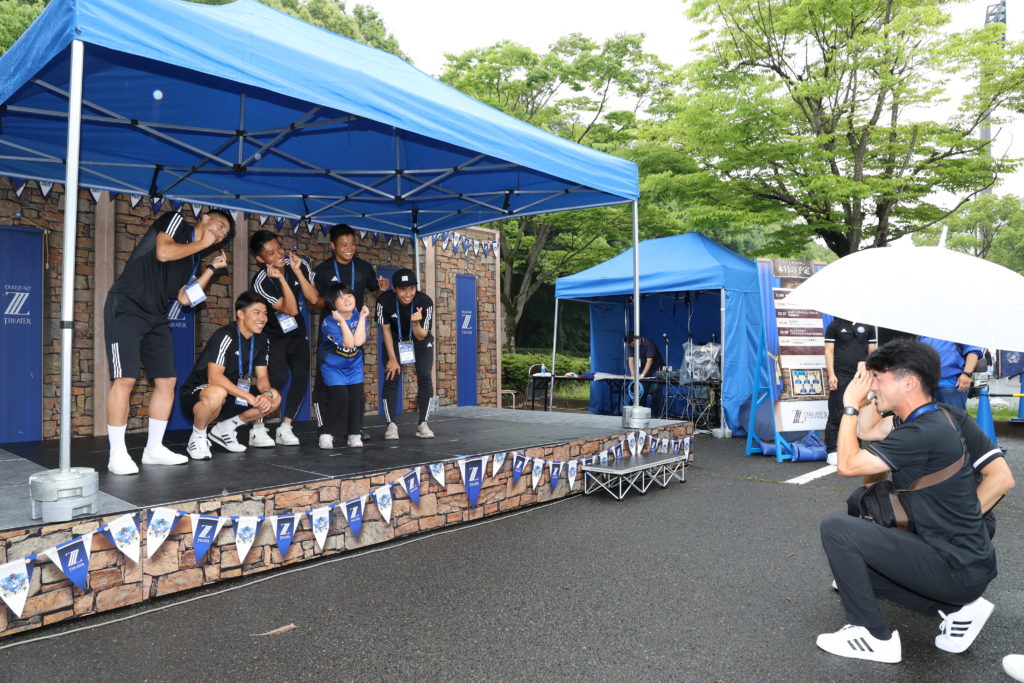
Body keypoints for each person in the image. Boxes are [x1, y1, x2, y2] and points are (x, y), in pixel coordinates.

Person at [817, 340, 998, 664]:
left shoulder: (924, 431)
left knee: (837, 530)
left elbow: (847, 464)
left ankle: (873, 636)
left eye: (879, 378)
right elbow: (869, 432)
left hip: (955, 564)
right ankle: (956, 609)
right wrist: (868, 392)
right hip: (963, 563)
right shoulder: (926, 421)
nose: (873, 386)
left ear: (909, 383)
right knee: (856, 573)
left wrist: (850, 405)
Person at [103, 209, 234, 475]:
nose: (221, 233)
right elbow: (163, 252)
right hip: (127, 306)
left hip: (157, 315)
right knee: (125, 379)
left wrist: (210, 269)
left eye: (225, 234)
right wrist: (203, 244)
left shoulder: (193, 257)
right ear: (204, 217)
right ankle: (116, 454)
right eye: (220, 225)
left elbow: (185, 298)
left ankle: (153, 449)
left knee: (167, 381)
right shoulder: (177, 222)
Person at [311, 224, 389, 443]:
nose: (349, 248)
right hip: (331, 333)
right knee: (326, 384)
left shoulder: (364, 267)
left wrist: (382, 289)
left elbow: (375, 292)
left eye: (352, 244)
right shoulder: (323, 270)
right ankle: (324, 429)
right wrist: (334, 304)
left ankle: (354, 429)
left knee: (354, 387)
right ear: (333, 245)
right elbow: (313, 302)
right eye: (344, 244)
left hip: (356, 330)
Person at [179, 293, 281, 459]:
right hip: (199, 394)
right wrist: (249, 397)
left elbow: (262, 377)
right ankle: (197, 437)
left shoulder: (262, 340)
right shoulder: (226, 335)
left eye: (265, 313)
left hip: (232, 395)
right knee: (217, 392)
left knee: (274, 397)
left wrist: (266, 394)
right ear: (240, 314)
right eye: (256, 312)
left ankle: (225, 429)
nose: (262, 318)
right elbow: (214, 378)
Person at [249, 230, 319, 446]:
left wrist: (297, 272)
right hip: (273, 335)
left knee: (301, 376)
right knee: (276, 378)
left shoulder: (299, 264)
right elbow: (290, 309)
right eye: (271, 253)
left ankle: (286, 427)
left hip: (297, 331)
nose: (279, 254)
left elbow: (313, 299)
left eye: (279, 247)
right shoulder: (260, 282)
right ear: (260, 259)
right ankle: (257, 427)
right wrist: (280, 278)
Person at [376, 268, 434, 439]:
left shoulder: (425, 302)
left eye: (411, 288)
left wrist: (415, 324)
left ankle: (423, 423)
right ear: (394, 289)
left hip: (420, 341)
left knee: (425, 377)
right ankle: (391, 425)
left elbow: (421, 335)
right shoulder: (384, 301)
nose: (408, 294)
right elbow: (385, 331)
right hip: (396, 341)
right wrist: (392, 358)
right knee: (391, 376)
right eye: (402, 289)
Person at [318, 283, 370, 449]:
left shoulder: (360, 316)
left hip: (354, 367)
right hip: (333, 368)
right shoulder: (328, 322)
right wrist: (341, 321)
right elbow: (348, 344)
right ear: (333, 303)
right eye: (340, 297)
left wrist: (362, 318)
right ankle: (327, 434)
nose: (347, 299)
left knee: (357, 399)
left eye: (349, 295)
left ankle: (354, 434)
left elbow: (358, 342)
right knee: (339, 398)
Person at [823, 318, 877, 464]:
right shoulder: (835, 325)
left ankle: (855, 447)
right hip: (840, 374)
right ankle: (832, 450)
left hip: (860, 375)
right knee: (836, 412)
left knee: (858, 412)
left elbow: (872, 352)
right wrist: (831, 375)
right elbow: (828, 351)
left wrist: (871, 373)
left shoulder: (868, 325)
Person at [918, 336, 984, 410]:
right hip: (925, 386)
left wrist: (966, 374)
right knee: (927, 416)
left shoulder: (961, 330)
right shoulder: (924, 331)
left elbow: (973, 351)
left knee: (953, 416)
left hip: (951, 384)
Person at [624, 333, 666, 414]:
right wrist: (633, 374)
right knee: (641, 389)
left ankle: (654, 413)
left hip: (657, 368)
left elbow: (649, 361)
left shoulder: (649, 344)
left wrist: (642, 375)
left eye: (632, 344)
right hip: (645, 368)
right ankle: (641, 412)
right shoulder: (630, 345)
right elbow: (630, 360)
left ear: (635, 339)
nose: (631, 346)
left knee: (655, 390)